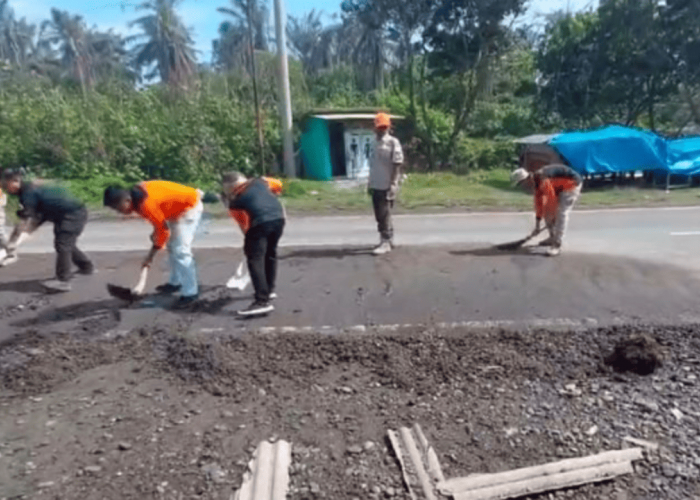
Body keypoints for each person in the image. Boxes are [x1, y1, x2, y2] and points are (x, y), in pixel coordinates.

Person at [103, 180, 203, 308]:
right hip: (174, 209)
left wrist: (150, 255)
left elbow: (164, 232)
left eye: (117, 208)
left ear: (126, 200)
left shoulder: (145, 204)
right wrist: (157, 231)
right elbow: (160, 223)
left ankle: (191, 293)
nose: (118, 212)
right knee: (172, 247)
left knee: (181, 251)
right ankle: (175, 282)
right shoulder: (137, 197)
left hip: (189, 207)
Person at [2, 170, 94, 291]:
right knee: (66, 243)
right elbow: (37, 216)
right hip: (66, 212)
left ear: (15, 181)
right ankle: (86, 266)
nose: (4, 189)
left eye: (5, 185)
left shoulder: (28, 193)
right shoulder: (30, 187)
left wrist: (13, 241)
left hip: (72, 214)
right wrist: (21, 236)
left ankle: (63, 281)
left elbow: (26, 220)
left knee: (63, 244)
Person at [221, 172, 285, 317]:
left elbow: (245, 227)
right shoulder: (262, 182)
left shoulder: (236, 202)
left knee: (255, 260)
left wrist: (250, 245)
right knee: (270, 255)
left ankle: (261, 302)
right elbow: (278, 185)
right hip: (278, 219)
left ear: (229, 187)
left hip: (260, 222)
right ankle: (269, 290)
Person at [510, 164, 583, 256]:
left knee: (561, 214)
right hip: (559, 187)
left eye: (521, 183)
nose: (522, 186)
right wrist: (537, 225)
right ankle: (552, 237)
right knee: (548, 212)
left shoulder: (543, 179)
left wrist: (552, 217)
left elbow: (551, 200)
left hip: (572, 184)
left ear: (526, 179)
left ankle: (557, 245)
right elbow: (539, 204)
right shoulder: (537, 183)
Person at [368, 112, 404, 255]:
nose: (382, 130)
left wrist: (394, 183)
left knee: (385, 213)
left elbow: (397, 163)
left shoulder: (392, 142)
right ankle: (386, 238)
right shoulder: (373, 143)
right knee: (378, 213)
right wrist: (369, 183)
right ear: (375, 128)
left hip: (387, 183)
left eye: (384, 127)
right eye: (379, 127)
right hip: (375, 182)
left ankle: (386, 241)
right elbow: (373, 165)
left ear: (389, 127)